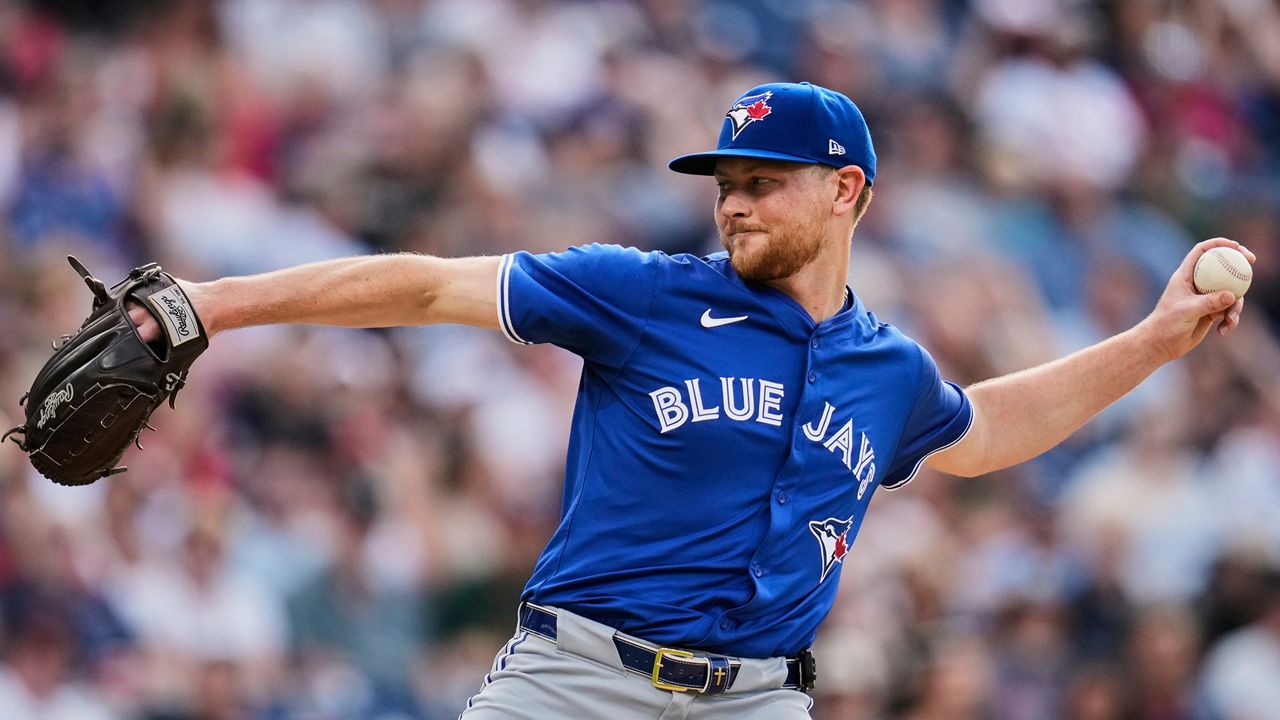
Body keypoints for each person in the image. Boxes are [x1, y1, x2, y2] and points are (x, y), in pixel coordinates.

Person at [129, 82, 1252, 719]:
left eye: (761, 184)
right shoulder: (644, 295)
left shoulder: (887, 370)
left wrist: (1154, 341)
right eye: (725, 187)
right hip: (575, 682)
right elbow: (427, 284)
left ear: (845, 190)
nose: (733, 206)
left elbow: (987, 431)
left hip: (757, 702)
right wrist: (217, 303)